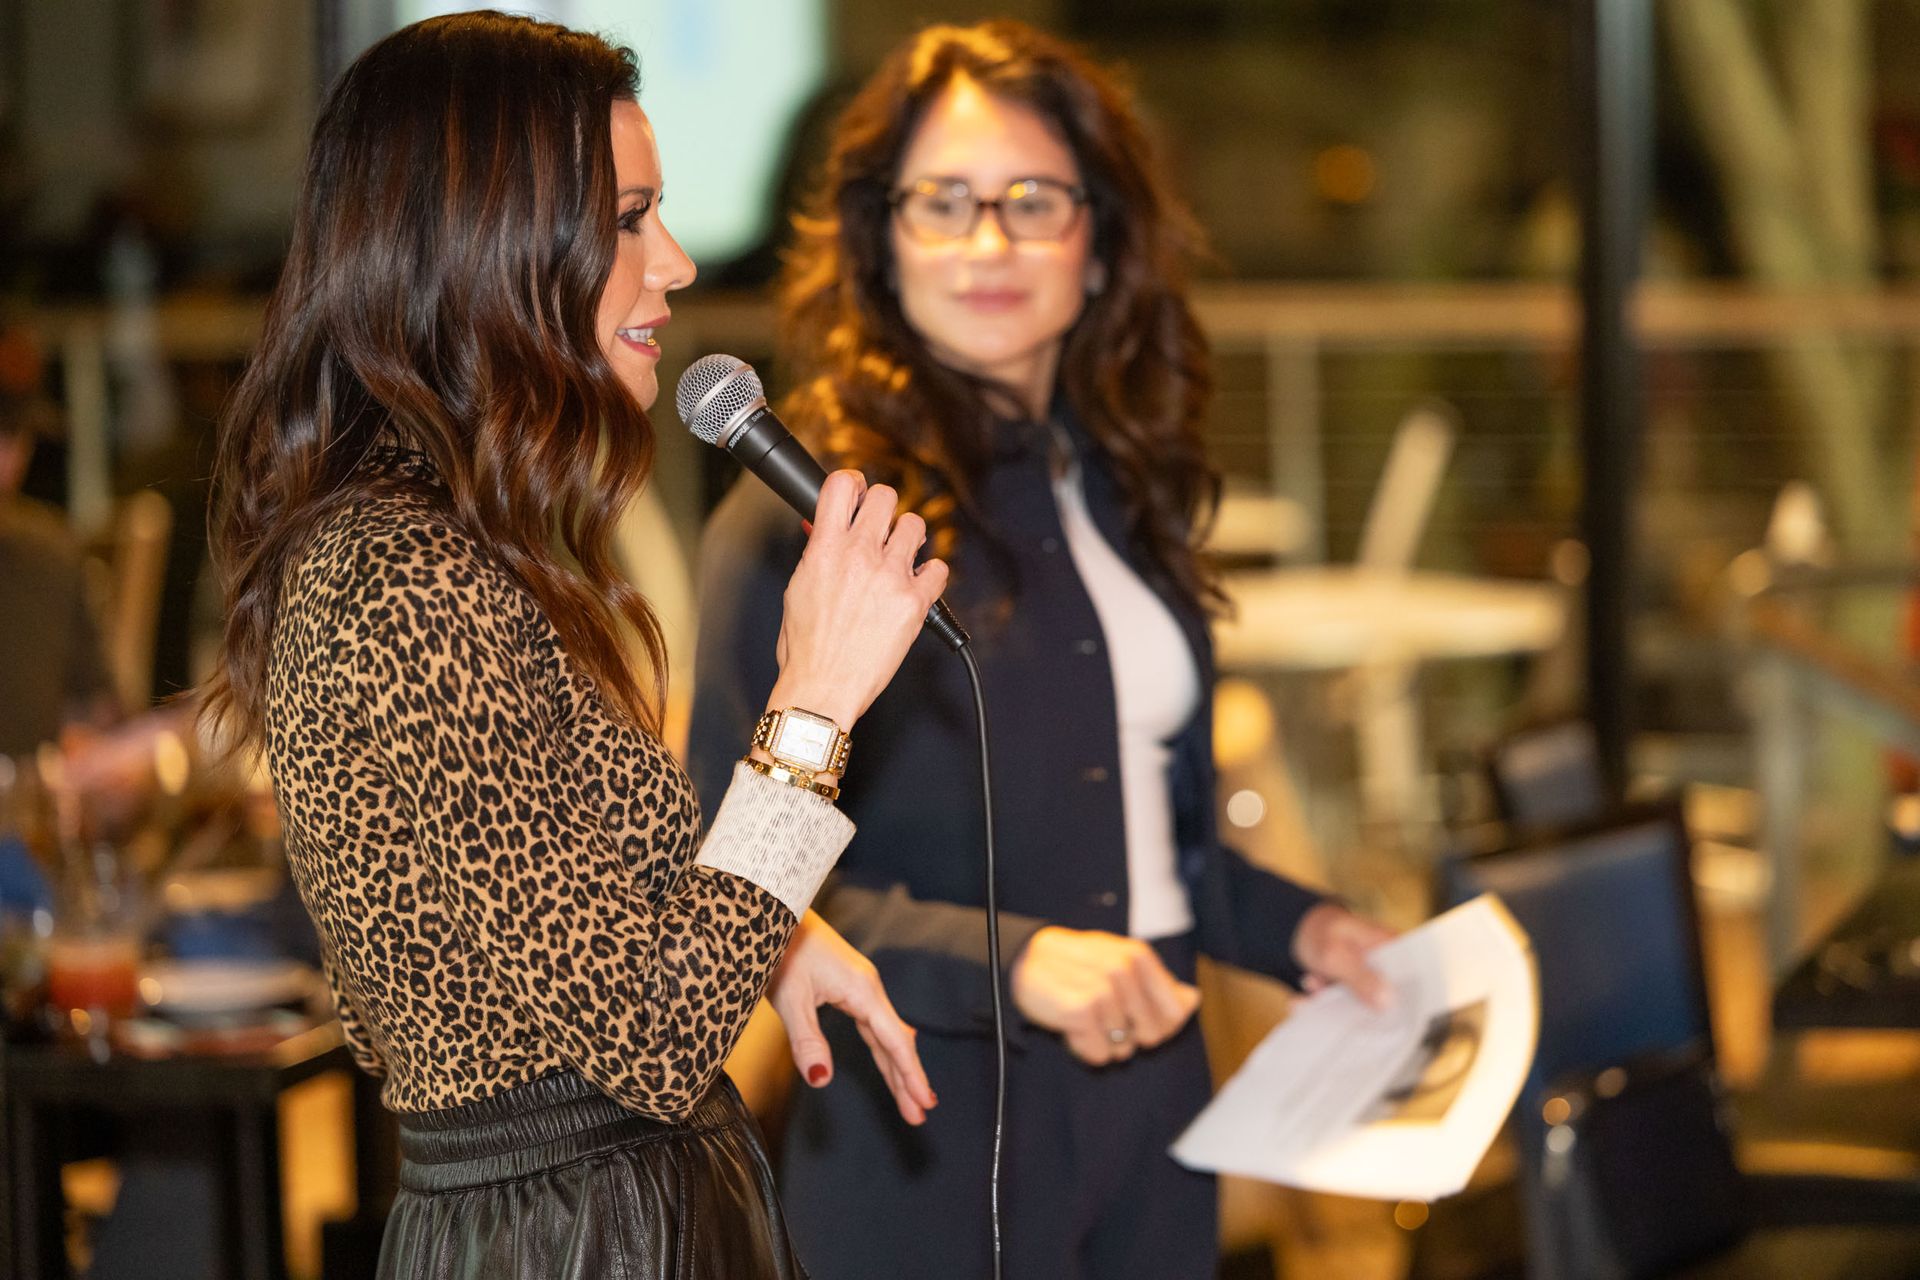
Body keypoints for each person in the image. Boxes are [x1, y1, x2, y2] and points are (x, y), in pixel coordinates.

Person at [200, 13, 951, 1278]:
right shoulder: (399, 578)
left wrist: (774, 934)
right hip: (566, 1238)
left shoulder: (463, 541)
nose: (675, 263)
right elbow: (654, 1037)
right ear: (492, 243)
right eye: (628, 219)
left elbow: (556, 919)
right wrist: (813, 704)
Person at [688, 20, 1394, 1279]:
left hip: (1161, 1112)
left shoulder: (1133, 483)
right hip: (927, 1128)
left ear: (1102, 236)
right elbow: (732, 880)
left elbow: (1160, 847)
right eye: (943, 201)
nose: (989, 242)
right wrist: (1015, 959)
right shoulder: (805, 518)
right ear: (880, 236)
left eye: (1032, 200)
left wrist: (1305, 928)